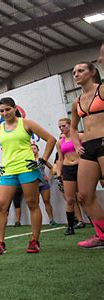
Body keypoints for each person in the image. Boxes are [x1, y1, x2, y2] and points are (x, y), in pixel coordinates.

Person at [0, 97, 56, 255]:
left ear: (15, 108)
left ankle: (34, 241)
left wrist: (42, 160)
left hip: (27, 169)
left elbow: (51, 139)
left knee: (32, 204)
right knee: (2, 205)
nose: (5, 113)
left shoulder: (26, 123)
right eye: (2, 111)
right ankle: (0, 242)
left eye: (7, 110)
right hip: (8, 171)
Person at [70, 57, 104, 249]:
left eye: (81, 71)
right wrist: (76, 144)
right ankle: (102, 234)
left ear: (92, 72)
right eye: (74, 72)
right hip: (89, 147)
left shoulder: (102, 90)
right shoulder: (76, 102)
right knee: (83, 195)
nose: (76, 75)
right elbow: (74, 129)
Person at [55, 119, 86, 235]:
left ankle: (96, 223)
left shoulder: (80, 136)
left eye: (64, 126)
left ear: (70, 125)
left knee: (85, 196)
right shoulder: (59, 142)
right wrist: (59, 175)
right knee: (70, 199)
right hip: (68, 168)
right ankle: (70, 226)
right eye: (59, 127)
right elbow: (60, 159)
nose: (62, 128)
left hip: (81, 166)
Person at [31, 144, 57, 227]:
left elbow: (52, 168)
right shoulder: (28, 161)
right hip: (33, 184)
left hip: (44, 183)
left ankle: (51, 220)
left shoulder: (42, 159)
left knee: (46, 201)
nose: (33, 150)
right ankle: (37, 222)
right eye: (31, 149)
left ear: (38, 149)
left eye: (34, 148)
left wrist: (49, 177)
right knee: (35, 204)